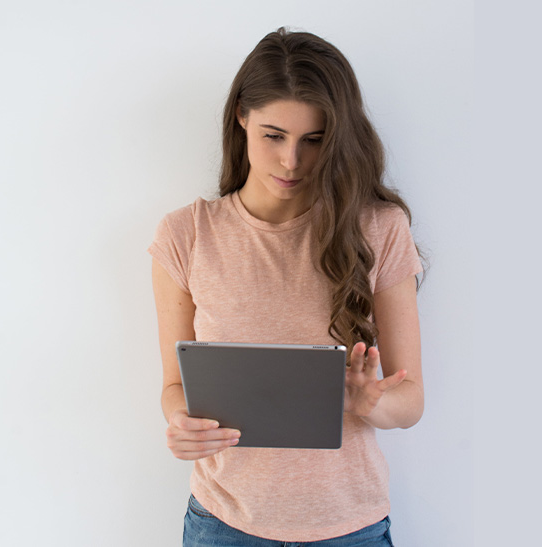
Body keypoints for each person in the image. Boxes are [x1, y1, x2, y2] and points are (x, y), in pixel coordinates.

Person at [149, 27, 424, 546]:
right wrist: (180, 422)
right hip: (223, 524)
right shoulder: (185, 235)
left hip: (350, 527)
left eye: (314, 140)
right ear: (241, 119)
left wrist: (372, 404)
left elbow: (410, 401)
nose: (291, 161)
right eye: (273, 135)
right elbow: (174, 387)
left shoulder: (379, 228)